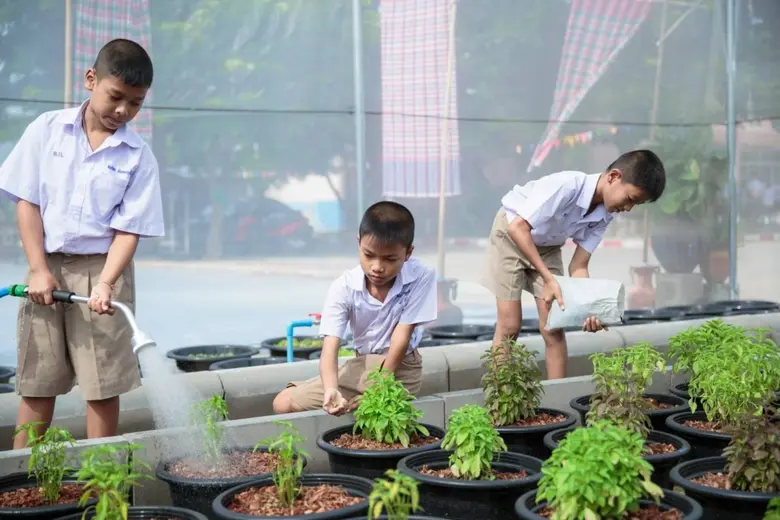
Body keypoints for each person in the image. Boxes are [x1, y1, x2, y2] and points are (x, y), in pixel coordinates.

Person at [0, 39, 164, 448]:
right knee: (38, 377)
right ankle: (22, 473)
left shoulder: (137, 156)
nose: (123, 111)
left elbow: (128, 231)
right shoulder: (47, 130)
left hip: (103, 269)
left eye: (136, 103)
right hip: (47, 265)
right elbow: (28, 202)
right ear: (91, 79)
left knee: (102, 382)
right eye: (116, 96)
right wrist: (38, 269)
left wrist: (106, 283)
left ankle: (99, 477)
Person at [482, 150, 665, 379]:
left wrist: (588, 309)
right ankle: (501, 395)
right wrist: (548, 278)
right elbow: (518, 227)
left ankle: (558, 397)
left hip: (547, 247)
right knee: (510, 325)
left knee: (553, 326)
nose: (628, 208)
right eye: (630, 199)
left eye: (636, 204)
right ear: (614, 177)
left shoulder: (606, 214)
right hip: (511, 236)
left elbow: (579, 265)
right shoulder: (567, 186)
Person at [273, 201, 437, 415]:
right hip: (363, 364)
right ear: (359, 243)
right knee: (283, 402)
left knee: (374, 416)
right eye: (369, 255)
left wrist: (378, 391)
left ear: (408, 253)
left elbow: (402, 335)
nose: (377, 267)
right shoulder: (344, 286)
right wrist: (331, 389)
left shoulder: (421, 276)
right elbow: (330, 345)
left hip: (400, 369)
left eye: (389, 259)